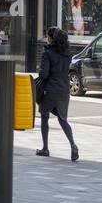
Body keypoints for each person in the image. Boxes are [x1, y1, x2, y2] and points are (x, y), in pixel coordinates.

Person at [36, 27, 79, 162]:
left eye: (48, 36)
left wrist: (40, 69)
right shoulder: (67, 54)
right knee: (62, 120)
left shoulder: (47, 53)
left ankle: (45, 148)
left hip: (50, 89)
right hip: (64, 90)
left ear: (51, 38)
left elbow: (44, 74)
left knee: (44, 116)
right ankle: (73, 145)